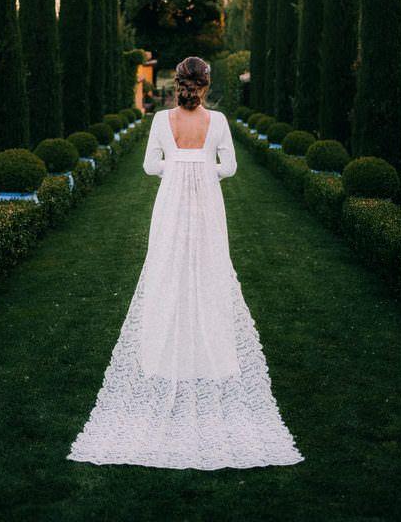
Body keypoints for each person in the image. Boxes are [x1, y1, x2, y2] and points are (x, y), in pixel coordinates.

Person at [66, 56, 305, 469]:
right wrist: (199, 166)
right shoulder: (220, 121)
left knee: (167, 275)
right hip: (208, 203)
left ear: (177, 84)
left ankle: (166, 356)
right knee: (210, 274)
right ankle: (205, 355)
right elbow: (228, 167)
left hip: (172, 202)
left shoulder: (161, 120)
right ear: (206, 84)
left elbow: (147, 166)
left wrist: (176, 166)